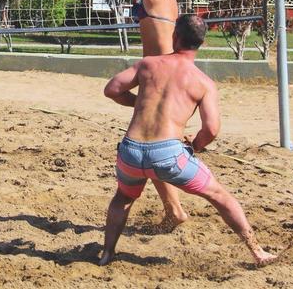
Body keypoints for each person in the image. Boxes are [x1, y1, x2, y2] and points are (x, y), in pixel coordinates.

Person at [98, 14, 277, 266]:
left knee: (122, 198)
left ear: (175, 37)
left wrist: (138, 103)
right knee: (220, 196)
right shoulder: (203, 82)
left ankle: (107, 254)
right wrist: (195, 145)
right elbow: (212, 129)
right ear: (202, 43)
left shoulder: (148, 64)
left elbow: (112, 89)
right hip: (169, 154)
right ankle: (258, 252)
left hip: (131, 151)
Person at [66, 0, 188, 229]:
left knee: (149, 143)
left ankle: (174, 209)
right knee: (117, 93)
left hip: (159, 72)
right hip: (154, 68)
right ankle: (173, 206)